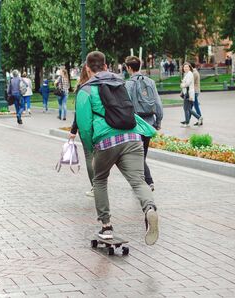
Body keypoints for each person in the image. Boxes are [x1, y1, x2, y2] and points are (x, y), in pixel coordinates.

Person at [68, 51, 159, 245]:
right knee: (138, 181)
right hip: (133, 136)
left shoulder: (85, 90)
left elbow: (84, 126)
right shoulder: (120, 83)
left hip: (107, 141)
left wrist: (91, 149)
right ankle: (150, 209)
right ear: (106, 66)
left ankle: (106, 226)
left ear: (87, 68)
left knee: (100, 180)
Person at [124, 55, 163, 191]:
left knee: (137, 156)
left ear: (129, 68)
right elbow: (158, 103)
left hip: (136, 124)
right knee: (142, 154)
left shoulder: (128, 84)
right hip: (149, 122)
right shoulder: (150, 82)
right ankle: (142, 183)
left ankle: (148, 181)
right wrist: (158, 121)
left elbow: (126, 106)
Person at [70, 65, 95, 197]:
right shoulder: (99, 85)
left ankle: (95, 186)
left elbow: (78, 112)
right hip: (101, 126)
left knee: (90, 156)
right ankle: (100, 184)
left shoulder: (82, 88)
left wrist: (73, 130)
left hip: (86, 127)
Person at [180, 63, 202, 127]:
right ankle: (189, 121)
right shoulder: (187, 74)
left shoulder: (190, 74)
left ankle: (197, 118)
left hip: (189, 93)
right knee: (187, 108)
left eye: (187, 67)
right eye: (184, 67)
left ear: (190, 67)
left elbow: (187, 84)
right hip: (188, 93)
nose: (185, 68)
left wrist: (182, 85)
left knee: (188, 108)